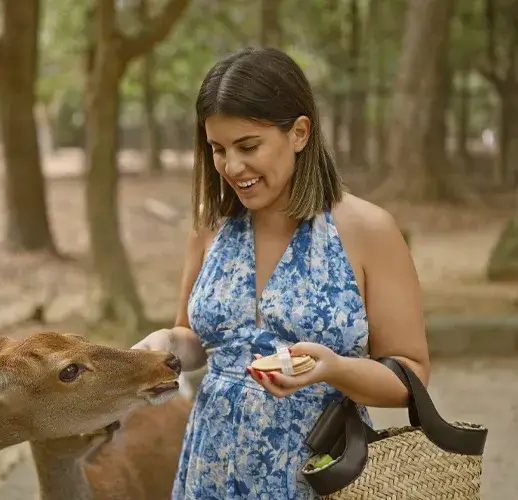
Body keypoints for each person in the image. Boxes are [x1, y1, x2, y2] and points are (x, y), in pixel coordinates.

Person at [131, 46, 430, 499]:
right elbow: (197, 340)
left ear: (300, 133)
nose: (232, 167)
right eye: (218, 149)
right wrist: (167, 343)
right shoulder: (209, 225)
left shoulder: (368, 230)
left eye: (248, 146)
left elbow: (411, 373)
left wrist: (333, 369)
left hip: (319, 473)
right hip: (209, 471)